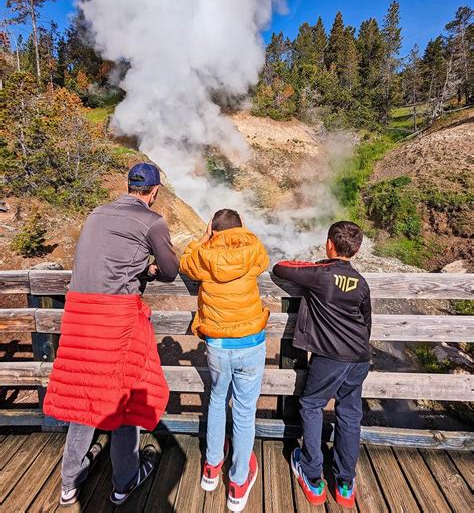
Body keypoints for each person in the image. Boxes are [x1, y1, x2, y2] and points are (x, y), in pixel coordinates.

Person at [43, 162, 179, 507]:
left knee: (83, 398)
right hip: (115, 319)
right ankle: (123, 482)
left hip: (79, 316)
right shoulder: (152, 221)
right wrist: (146, 268)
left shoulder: (97, 213)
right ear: (155, 190)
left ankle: (69, 484)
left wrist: (135, 266)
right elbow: (170, 270)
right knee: (125, 398)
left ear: (128, 185)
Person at [273, 221, 371, 509]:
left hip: (331, 357)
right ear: (357, 250)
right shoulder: (361, 282)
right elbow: (366, 321)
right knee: (350, 415)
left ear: (329, 244)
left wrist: (314, 263)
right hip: (359, 358)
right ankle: (344, 483)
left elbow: (281, 267)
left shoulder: (320, 274)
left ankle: (313, 476)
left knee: (312, 405)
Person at [179, 209, 269, 512]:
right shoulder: (252, 249)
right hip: (251, 342)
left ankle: (211, 469)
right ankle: (238, 484)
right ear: (240, 230)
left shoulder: (204, 257)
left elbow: (184, 262)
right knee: (244, 411)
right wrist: (242, 233)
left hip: (217, 343)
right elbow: (264, 259)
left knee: (217, 400)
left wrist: (203, 238)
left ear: (213, 231)